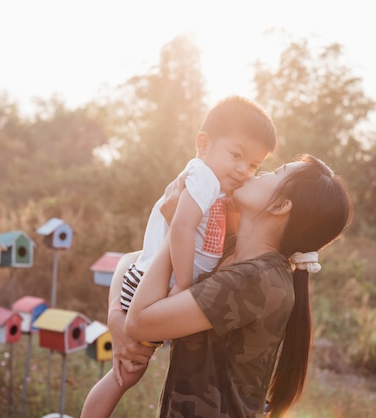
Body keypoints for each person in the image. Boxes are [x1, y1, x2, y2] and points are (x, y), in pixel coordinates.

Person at [103, 154, 353, 417]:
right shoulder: (229, 249)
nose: (260, 173)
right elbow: (132, 261)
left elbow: (141, 322)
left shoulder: (255, 280)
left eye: (276, 173)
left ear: (280, 206)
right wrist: (114, 314)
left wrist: (176, 226)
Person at [80, 96, 276, 418]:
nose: (243, 170)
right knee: (124, 374)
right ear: (204, 144)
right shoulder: (202, 179)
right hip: (154, 286)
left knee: (127, 374)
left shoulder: (221, 191)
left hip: (159, 285)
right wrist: (183, 285)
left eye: (254, 164)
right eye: (236, 155)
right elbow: (181, 228)